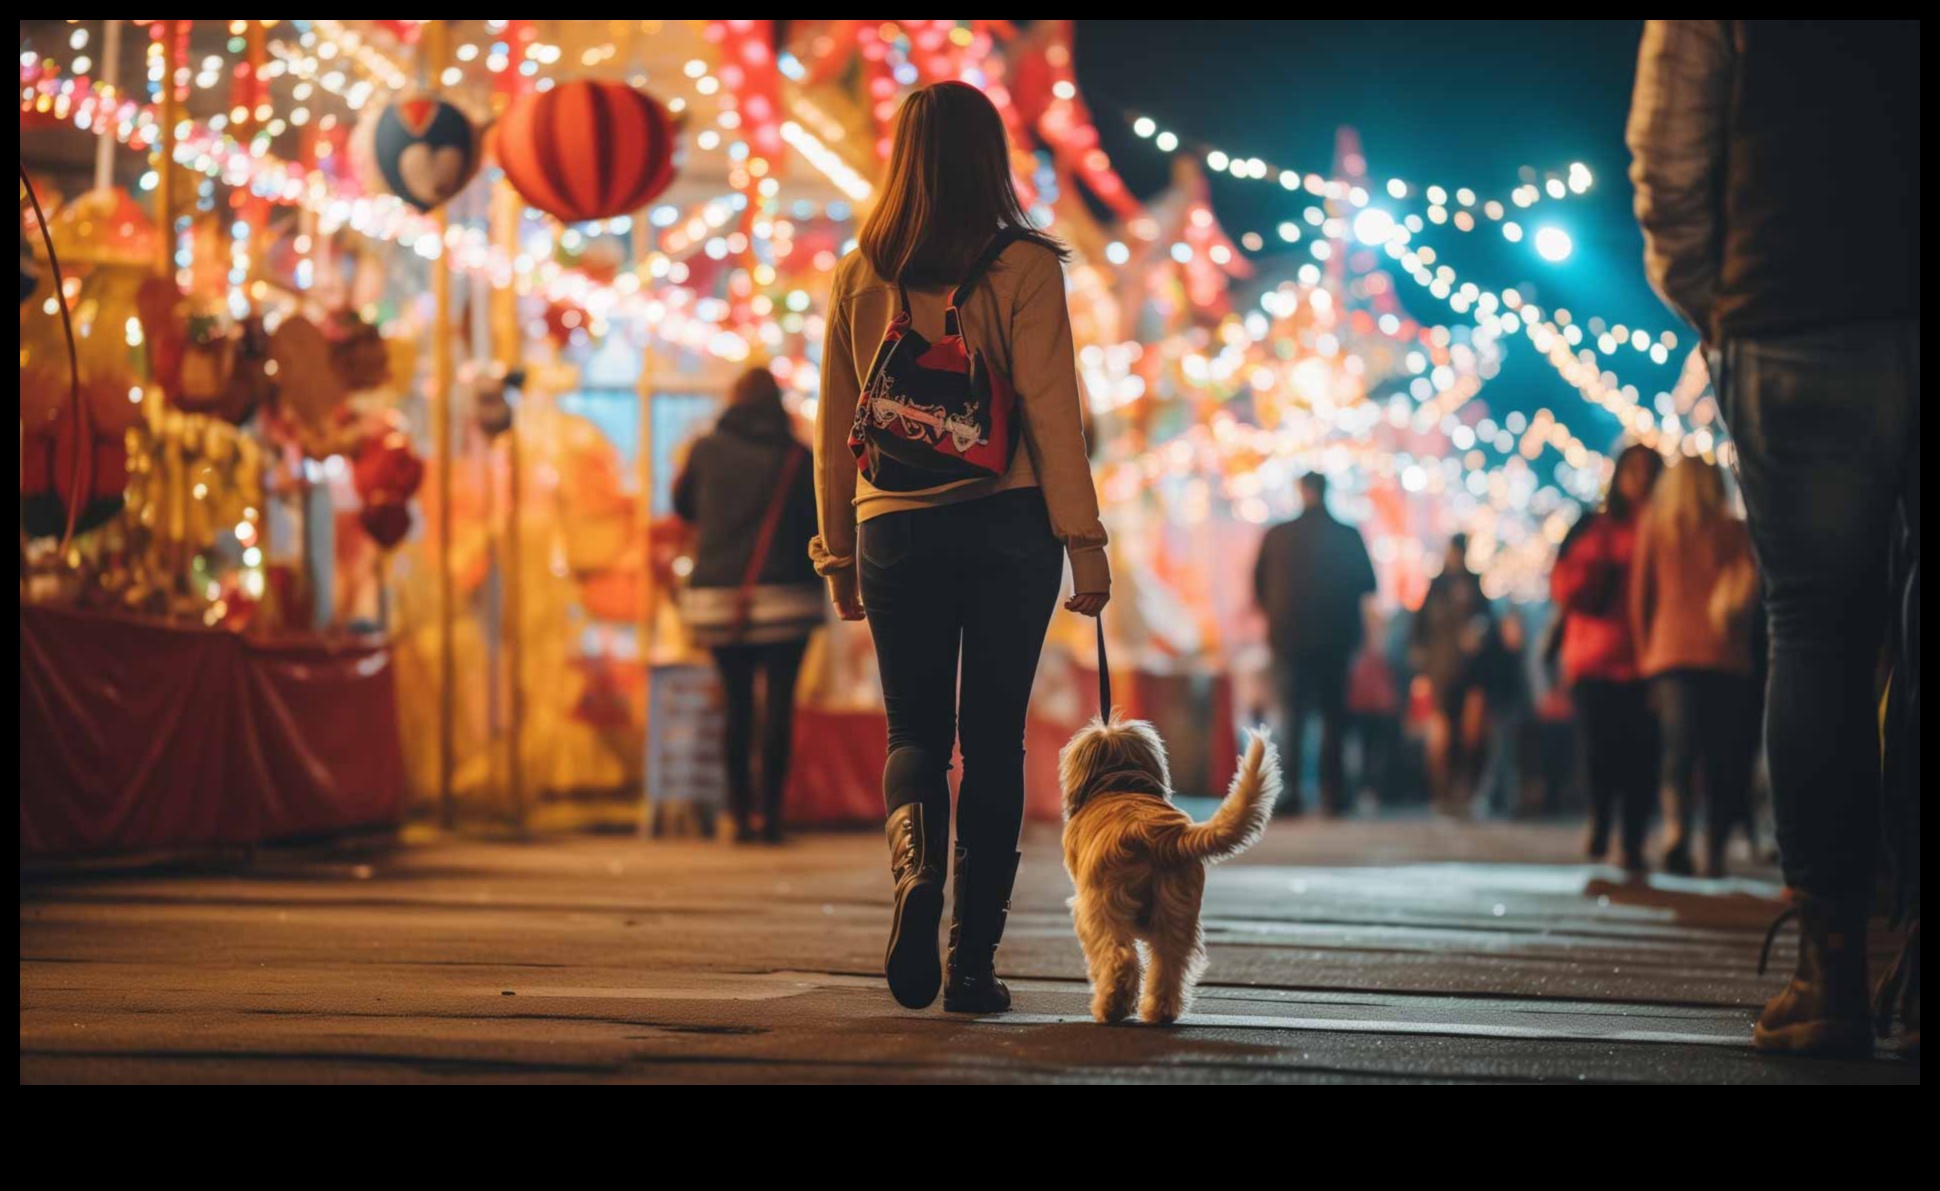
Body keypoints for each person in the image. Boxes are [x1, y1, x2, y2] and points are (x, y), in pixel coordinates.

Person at [1629, 20, 1919, 1055]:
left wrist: (1720, 309)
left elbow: (1667, 157)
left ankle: (1831, 973)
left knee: (1814, 631)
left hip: (1790, 309)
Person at [810, 81, 1110, 1015]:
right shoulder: (1023, 265)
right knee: (991, 741)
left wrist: (837, 554)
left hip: (891, 522)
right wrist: (1085, 544)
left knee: (913, 734)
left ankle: (915, 876)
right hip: (1007, 521)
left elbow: (830, 426)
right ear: (992, 156)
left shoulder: (861, 271)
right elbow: (1054, 413)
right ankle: (973, 960)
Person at [672, 366, 823, 845]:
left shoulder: (706, 451)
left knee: (736, 706)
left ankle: (739, 814)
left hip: (720, 598)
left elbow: (683, 507)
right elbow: (815, 523)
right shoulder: (798, 458)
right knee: (779, 706)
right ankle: (772, 816)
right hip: (787, 600)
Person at [1630, 458, 1758, 877]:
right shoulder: (1733, 529)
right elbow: (1750, 588)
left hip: (1671, 654)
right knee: (1721, 756)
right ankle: (1714, 847)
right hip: (1725, 656)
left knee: (1678, 750)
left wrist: (1645, 655)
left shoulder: (1658, 527)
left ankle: (1676, 834)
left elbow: (1640, 598)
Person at [1551, 445, 1663, 873]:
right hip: (1594, 658)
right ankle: (1600, 820)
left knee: (1642, 754)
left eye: (1649, 471)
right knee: (1600, 751)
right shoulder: (1594, 528)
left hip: (1647, 659)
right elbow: (1566, 586)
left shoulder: (1665, 529)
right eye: (1633, 470)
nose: (1641, 479)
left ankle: (1631, 839)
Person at [1253, 472, 1378, 816]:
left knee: (1292, 716)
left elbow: (1258, 586)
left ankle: (1291, 792)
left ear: (1302, 491)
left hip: (1289, 641)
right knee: (1334, 717)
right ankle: (1332, 794)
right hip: (1336, 641)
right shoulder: (1347, 536)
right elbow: (1369, 583)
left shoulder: (1278, 536)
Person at [1411, 533, 1496, 815]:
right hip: (1443, 671)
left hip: (1469, 671)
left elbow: (1487, 623)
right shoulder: (1438, 586)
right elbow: (1419, 630)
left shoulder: (1473, 583)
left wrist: (1479, 633)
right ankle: (1444, 790)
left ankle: (1464, 789)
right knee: (1442, 731)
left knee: (1471, 732)